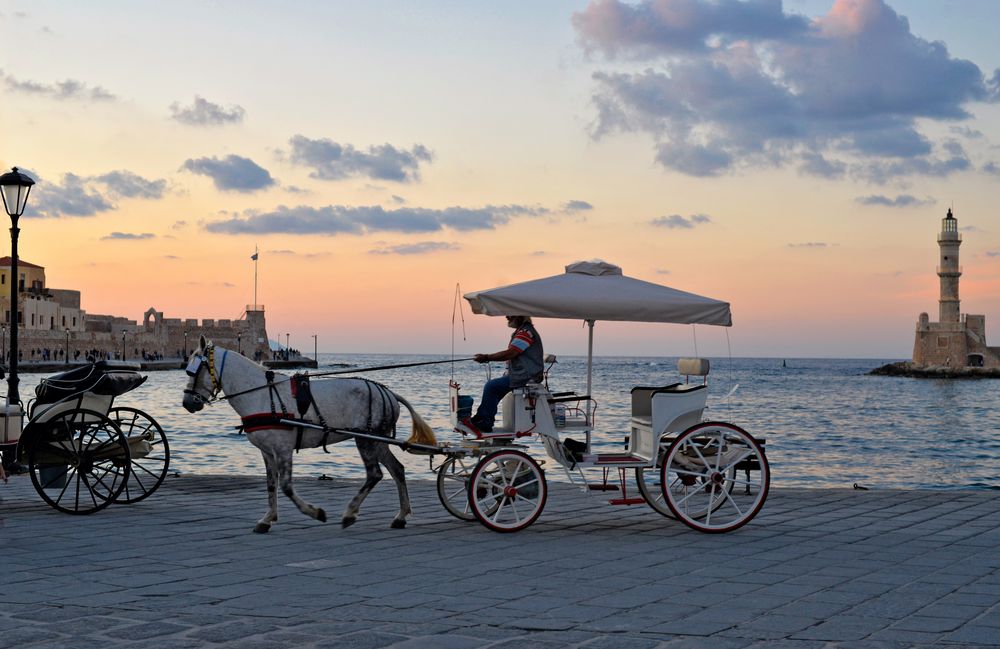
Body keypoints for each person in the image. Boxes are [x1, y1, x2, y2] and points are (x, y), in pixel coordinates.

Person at [461, 315, 543, 433]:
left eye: (510, 314)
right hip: (523, 375)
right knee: (495, 388)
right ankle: (482, 419)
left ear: (520, 316)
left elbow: (511, 353)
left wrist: (487, 357)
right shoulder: (523, 331)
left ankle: (485, 421)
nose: (507, 317)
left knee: (492, 386)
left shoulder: (526, 333)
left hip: (526, 376)